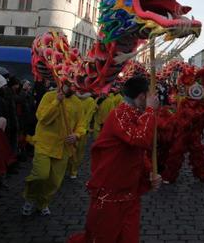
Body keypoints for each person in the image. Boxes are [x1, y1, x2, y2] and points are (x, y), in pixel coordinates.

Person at [67, 76, 162, 243]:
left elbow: (138, 152)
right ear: (141, 97)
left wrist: (150, 174)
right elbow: (140, 138)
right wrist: (150, 111)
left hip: (129, 194)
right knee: (103, 237)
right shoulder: (119, 114)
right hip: (110, 193)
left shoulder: (136, 114)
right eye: (149, 95)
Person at [21, 83, 86, 216]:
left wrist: (77, 135)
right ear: (62, 83)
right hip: (44, 143)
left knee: (54, 182)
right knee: (41, 174)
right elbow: (42, 117)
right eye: (69, 85)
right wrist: (57, 101)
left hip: (63, 148)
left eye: (75, 86)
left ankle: (43, 203)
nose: (72, 88)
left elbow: (81, 124)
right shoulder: (49, 96)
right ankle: (30, 198)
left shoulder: (78, 103)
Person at [67, 93, 97, 179]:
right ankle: (68, 167)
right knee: (68, 150)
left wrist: (81, 130)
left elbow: (88, 117)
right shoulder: (72, 98)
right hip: (69, 129)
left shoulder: (90, 100)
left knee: (79, 151)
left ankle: (73, 170)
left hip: (81, 131)